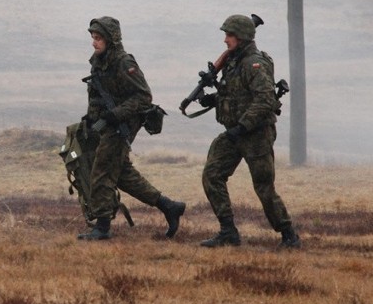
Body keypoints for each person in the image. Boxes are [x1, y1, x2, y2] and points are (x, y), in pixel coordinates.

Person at [76, 16, 185, 241]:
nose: (94, 43)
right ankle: (170, 207)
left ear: (111, 39)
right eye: (93, 38)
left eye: (98, 38)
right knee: (122, 174)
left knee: (102, 170)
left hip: (122, 125)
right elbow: (98, 95)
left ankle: (103, 227)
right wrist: (92, 118)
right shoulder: (99, 61)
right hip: (108, 123)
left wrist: (115, 116)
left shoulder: (124, 63)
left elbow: (144, 97)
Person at [198, 15, 301, 249]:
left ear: (241, 37)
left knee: (264, 186)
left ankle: (289, 235)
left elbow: (264, 99)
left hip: (255, 134)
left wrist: (242, 127)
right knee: (212, 175)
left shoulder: (254, 63)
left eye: (229, 35)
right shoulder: (234, 62)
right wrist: (212, 100)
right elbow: (237, 95)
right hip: (235, 133)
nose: (225, 40)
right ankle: (228, 232)